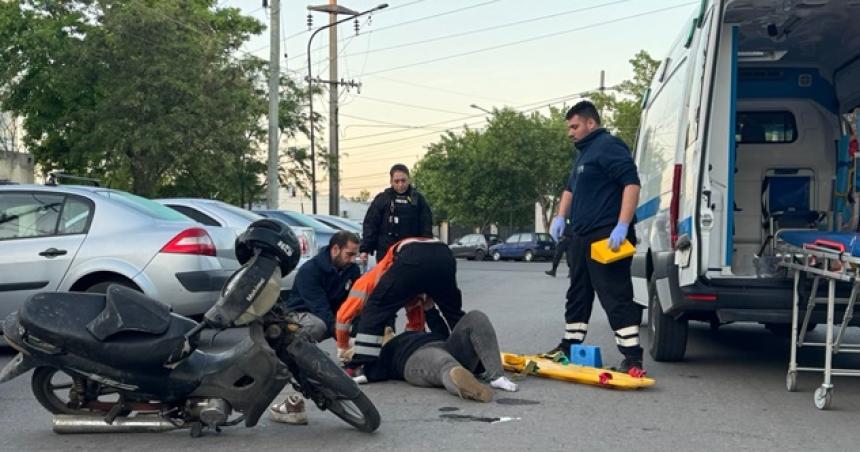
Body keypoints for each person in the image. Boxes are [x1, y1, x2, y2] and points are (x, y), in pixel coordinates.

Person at [546, 100, 645, 376]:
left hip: (606, 236)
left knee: (615, 295)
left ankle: (633, 357)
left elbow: (631, 184)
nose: (570, 132)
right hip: (580, 236)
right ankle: (569, 345)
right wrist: (559, 217)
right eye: (569, 127)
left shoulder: (609, 146)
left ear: (591, 123)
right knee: (577, 293)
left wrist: (622, 225)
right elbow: (570, 189)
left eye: (574, 126)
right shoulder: (583, 154)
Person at [270, 230, 361, 425]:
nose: (354, 260)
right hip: (300, 317)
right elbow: (321, 310)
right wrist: (344, 342)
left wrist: (361, 337)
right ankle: (298, 362)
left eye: (356, 254)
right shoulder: (310, 271)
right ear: (335, 249)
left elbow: (353, 305)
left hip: (330, 317)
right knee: (318, 325)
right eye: (349, 254)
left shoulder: (351, 270)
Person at [345, 238, 466, 369]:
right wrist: (429, 309)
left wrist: (342, 345)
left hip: (412, 257)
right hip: (444, 256)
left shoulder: (381, 269)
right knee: (453, 313)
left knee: (376, 307)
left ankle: (364, 364)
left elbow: (347, 314)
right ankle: (473, 359)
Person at [350, 310, 518, 402]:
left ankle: (496, 376)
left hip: (447, 346)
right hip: (417, 359)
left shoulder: (411, 333)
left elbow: (442, 331)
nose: (388, 332)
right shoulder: (385, 351)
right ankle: (468, 387)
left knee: (476, 317)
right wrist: (358, 374)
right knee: (443, 364)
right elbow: (373, 373)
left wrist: (430, 310)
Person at [360, 164, 433, 268]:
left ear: (409, 180)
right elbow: (370, 224)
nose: (400, 184)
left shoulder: (418, 200)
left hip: (411, 251)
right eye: (397, 181)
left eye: (403, 181)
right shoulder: (382, 199)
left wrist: (426, 248)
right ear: (391, 181)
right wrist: (365, 249)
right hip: (386, 252)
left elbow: (426, 225)